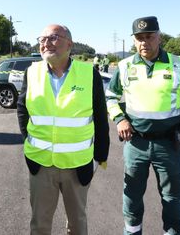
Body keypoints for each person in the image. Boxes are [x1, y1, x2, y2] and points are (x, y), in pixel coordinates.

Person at [105, 16, 180, 235]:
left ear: (160, 37)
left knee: (172, 198)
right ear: (134, 40)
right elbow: (110, 97)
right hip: (135, 144)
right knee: (132, 196)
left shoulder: (179, 64)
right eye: (139, 38)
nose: (144, 42)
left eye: (149, 36)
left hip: (169, 146)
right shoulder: (125, 66)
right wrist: (120, 119)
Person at [17, 24, 110, 235]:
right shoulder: (31, 72)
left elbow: (100, 119)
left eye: (53, 38)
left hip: (77, 165)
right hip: (41, 164)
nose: (45, 43)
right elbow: (22, 111)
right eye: (42, 39)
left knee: (77, 224)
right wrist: (29, 140)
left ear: (70, 44)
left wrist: (99, 158)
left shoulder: (89, 74)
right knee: (39, 224)